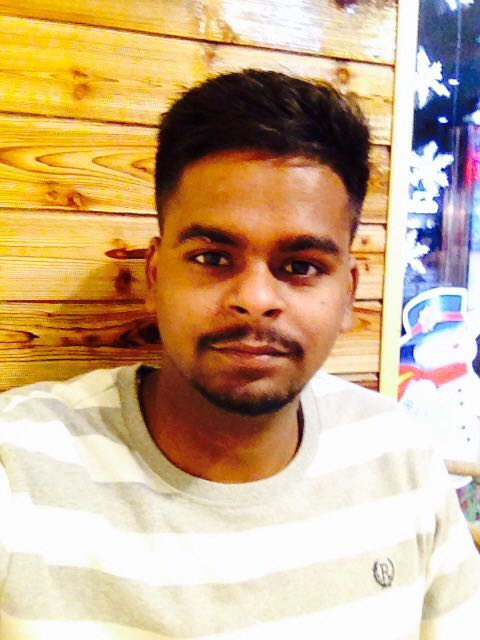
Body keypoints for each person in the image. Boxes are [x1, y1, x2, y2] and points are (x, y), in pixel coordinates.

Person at [0, 69, 478, 639]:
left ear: (349, 294)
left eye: (300, 266)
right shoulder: (20, 465)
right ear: (154, 276)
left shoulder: (399, 458)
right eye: (212, 258)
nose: (254, 299)